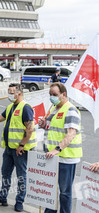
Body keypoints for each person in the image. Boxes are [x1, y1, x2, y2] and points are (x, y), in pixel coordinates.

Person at [0, 83, 36, 212]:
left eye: (11, 92)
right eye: (8, 91)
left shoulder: (25, 108)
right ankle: (2, 197)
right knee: (6, 173)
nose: (8, 94)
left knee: (21, 176)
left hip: (20, 150)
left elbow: (29, 129)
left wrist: (21, 145)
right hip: (9, 148)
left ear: (19, 93)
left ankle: (19, 201)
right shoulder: (10, 107)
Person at [39, 83, 82, 213]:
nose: (52, 97)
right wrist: (43, 124)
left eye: (55, 95)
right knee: (50, 189)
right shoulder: (55, 108)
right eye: (50, 95)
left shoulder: (70, 110)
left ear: (64, 94)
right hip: (53, 157)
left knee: (64, 192)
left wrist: (57, 149)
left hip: (65, 158)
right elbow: (54, 129)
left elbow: (71, 134)